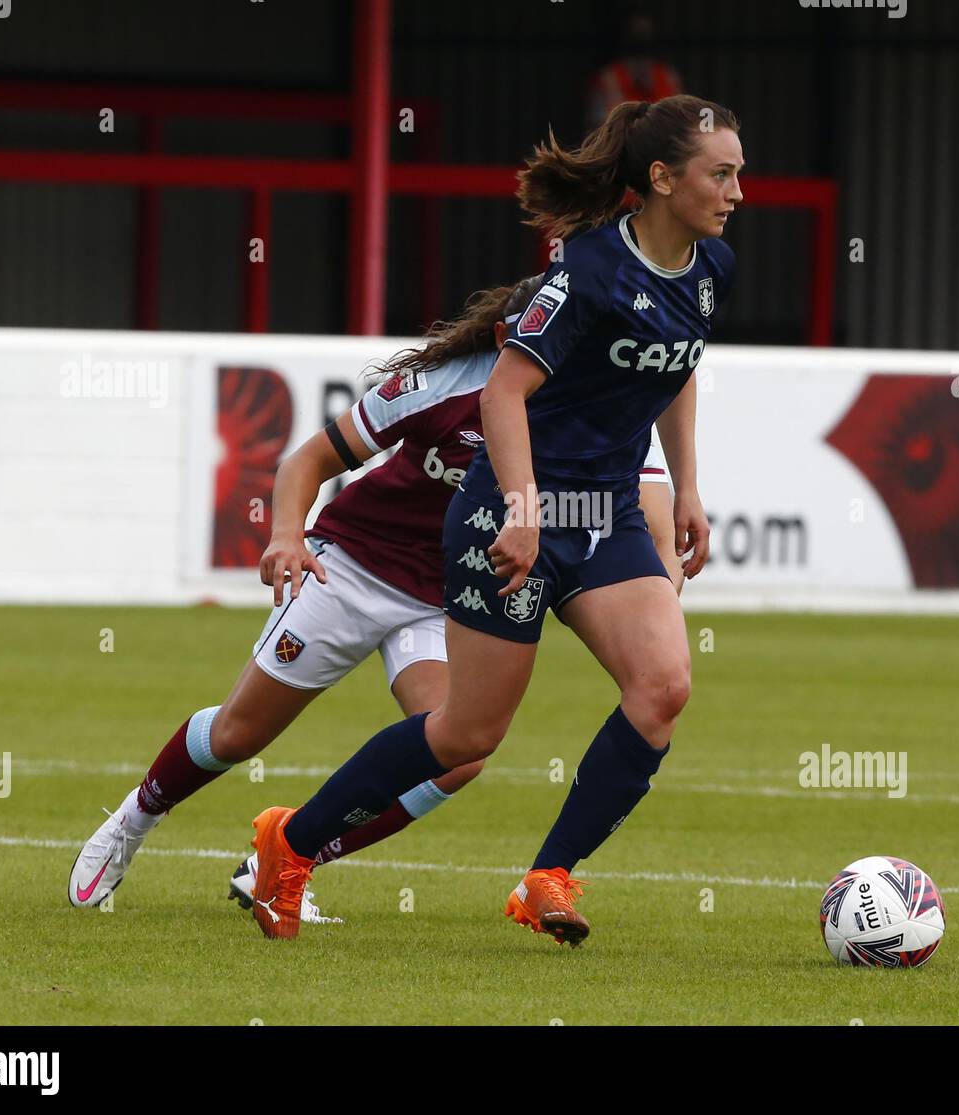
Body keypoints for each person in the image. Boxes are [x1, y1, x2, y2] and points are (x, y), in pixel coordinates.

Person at [246, 94, 743, 943]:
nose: (737, 190)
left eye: (739, 172)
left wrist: (687, 485)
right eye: (720, 172)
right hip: (507, 513)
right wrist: (520, 510)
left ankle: (547, 878)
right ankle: (288, 843)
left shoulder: (712, 268)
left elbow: (678, 366)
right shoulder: (585, 271)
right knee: (465, 734)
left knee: (663, 686)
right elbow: (506, 390)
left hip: (604, 511)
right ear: (662, 178)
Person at [67, 274, 682, 918]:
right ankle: (132, 821)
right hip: (355, 571)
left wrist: (661, 584)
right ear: (508, 336)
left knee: (459, 754)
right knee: (238, 733)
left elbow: (650, 509)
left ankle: (285, 861)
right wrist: (285, 537)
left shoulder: (592, 409)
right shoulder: (442, 388)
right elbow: (307, 462)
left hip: (444, 600)